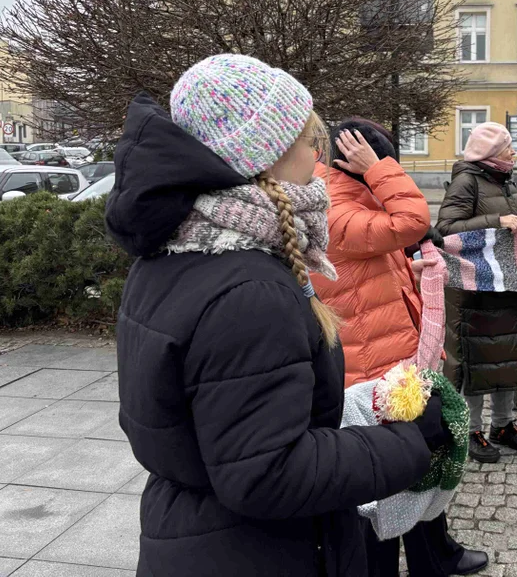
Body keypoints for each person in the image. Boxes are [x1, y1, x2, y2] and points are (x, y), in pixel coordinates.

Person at [105, 54, 449, 577]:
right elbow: (266, 474)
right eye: (307, 137)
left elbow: (220, 425)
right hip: (261, 550)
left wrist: (351, 406)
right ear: (264, 154)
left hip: (199, 535)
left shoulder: (177, 251)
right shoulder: (249, 291)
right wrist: (408, 439)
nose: (317, 153)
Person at [310, 117, 488, 576]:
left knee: (420, 463)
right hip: (368, 369)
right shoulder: (334, 209)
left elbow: (378, 269)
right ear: (358, 163)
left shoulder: (357, 200)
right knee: (381, 487)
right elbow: (413, 221)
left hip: (393, 357)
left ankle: (435, 556)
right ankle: (386, 568)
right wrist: (380, 169)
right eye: (386, 160)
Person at [436, 121, 517, 463]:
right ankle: (471, 430)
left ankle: (503, 425)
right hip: (476, 295)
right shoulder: (467, 181)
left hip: (507, 289)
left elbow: (514, 230)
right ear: (492, 153)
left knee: (507, 358)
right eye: (508, 148)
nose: (513, 153)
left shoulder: (504, 182)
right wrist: (494, 221)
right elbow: (445, 230)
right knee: (478, 363)